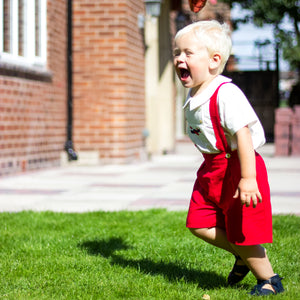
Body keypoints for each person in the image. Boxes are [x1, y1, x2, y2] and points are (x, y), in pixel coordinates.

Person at [173, 20, 284, 296]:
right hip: (211, 169)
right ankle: (242, 257)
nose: (179, 59)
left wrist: (248, 179)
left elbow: (243, 135)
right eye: (177, 52)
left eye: (188, 53)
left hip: (237, 167)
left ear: (214, 60)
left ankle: (270, 280)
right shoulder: (195, 93)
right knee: (199, 223)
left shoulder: (225, 93)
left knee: (243, 232)